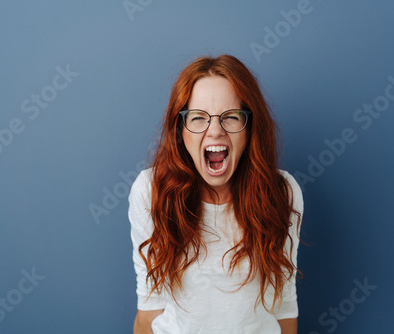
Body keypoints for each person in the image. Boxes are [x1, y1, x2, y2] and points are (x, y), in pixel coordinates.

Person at [129, 55, 303, 334]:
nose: (215, 131)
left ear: (249, 128)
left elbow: (283, 307)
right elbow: (150, 308)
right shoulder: (151, 192)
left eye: (231, 117)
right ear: (180, 129)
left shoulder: (282, 193)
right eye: (198, 118)